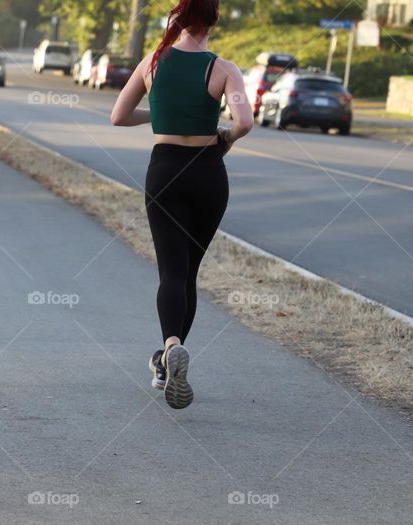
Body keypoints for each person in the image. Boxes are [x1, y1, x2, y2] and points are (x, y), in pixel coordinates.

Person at [110, 0, 253, 409]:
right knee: (189, 272)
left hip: (165, 171)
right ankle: (168, 358)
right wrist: (225, 137)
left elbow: (118, 116)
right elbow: (243, 122)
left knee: (170, 271)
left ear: (177, 18)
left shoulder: (152, 63)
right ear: (212, 22)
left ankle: (169, 347)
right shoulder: (224, 69)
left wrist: (160, 116)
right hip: (209, 174)